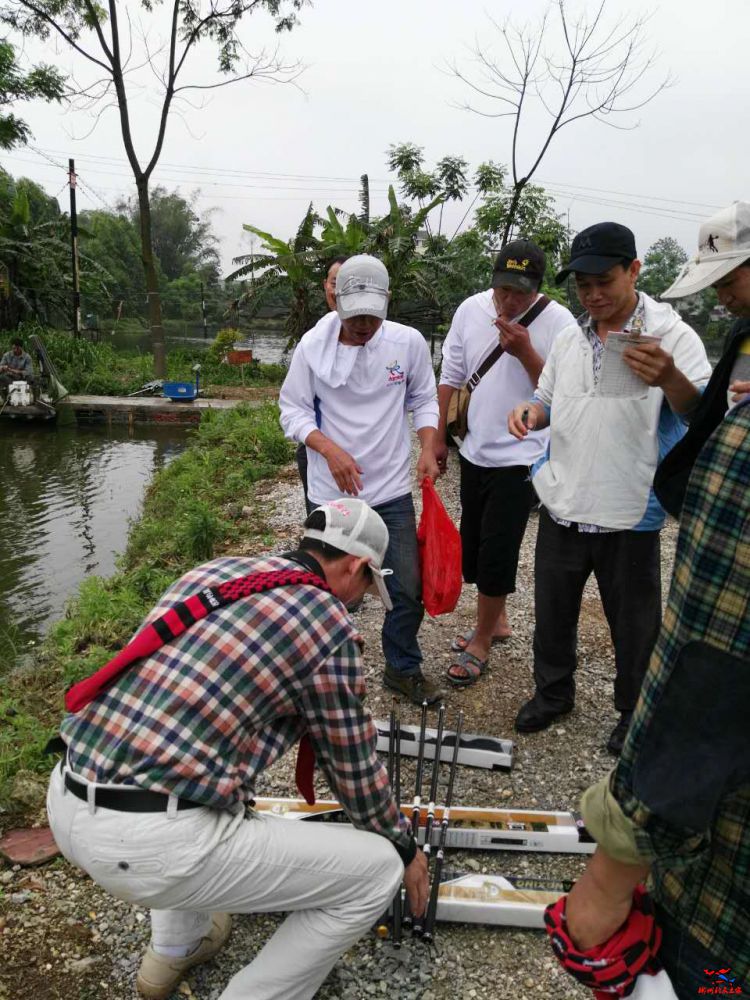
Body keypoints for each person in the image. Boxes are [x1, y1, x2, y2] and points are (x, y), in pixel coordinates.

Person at [47, 499, 428, 1000]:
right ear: (356, 566)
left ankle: (175, 951)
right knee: (375, 872)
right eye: (365, 588)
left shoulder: (217, 573)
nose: (358, 602)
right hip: (150, 845)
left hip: (68, 795)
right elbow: (352, 766)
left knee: (195, 778)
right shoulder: (328, 623)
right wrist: (403, 847)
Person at [561, 394, 749, 998]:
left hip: (728, 920)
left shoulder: (745, 446)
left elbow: (708, 669)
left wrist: (611, 876)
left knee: (717, 984)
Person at [508, 222, 711, 754]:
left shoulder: (673, 336)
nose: (593, 295)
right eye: (583, 285)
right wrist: (532, 412)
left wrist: (670, 378)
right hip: (564, 500)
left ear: (634, 271)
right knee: (552, 614)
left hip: (630, 506)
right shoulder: (571, 339)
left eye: (605, 281)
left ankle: (632, 712)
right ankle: (553, 695)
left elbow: (703, 418)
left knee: (635, 625)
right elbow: (547, 399)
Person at [279, 254, 443, 706]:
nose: (364, 324)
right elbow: (290, 410)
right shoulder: (312, 347)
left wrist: (428, 445)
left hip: (390, 489)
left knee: (406, 586)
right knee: (323, 586)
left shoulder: (407, 344)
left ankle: (401, 667)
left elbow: (424, 398)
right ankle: (317, 672)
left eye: (372, 314)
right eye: (354, 317)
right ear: (337, 301)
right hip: (333, 493)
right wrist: (329, 449)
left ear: (387, 301)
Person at [435, 240, 575, 687]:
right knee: (472, 548)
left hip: (522, 457)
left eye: (521, 292)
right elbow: (451, 376)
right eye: (503, 290)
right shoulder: (470, 310)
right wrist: (438, 437)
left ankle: (481, 638)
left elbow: (562, 393)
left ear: (537, 287)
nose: (510, 300)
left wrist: (526, 352)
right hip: (474, 449)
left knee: (497, 549)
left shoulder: (559, 323)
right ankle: (496, 621)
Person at [653, 200, 750, 515]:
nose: (723, 297)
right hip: (731, 496)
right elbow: (707, 415)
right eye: (716, 287)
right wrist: (669, 378)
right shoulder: (740, 333)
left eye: (728, 282)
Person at [295, 257, 349, 508]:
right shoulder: (312, 340)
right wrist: (326, 448)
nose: (338, 291)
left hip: (365, 456)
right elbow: (294, 406)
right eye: (334, 282)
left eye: (347, 283)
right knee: (323, 525)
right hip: (317, 448)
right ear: (325, 285)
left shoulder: (395, 342)